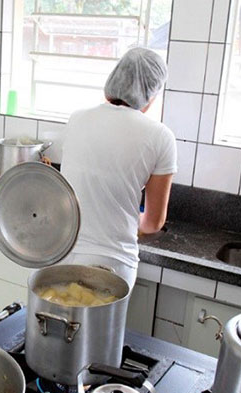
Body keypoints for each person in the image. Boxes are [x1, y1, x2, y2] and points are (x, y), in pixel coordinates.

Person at [59, 47, 177, 289]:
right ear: (151, 93)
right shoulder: (161, 137)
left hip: (61, 253)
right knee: (103, 328)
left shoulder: (77, 119)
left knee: (57, 325)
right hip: (111, 264)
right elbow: (153, 223)